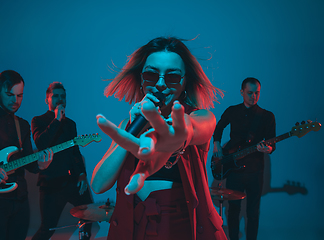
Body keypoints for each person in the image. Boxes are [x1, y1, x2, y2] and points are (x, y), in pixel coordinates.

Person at [91, 36, 227, 240]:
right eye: (151, 75)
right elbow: (99, 184)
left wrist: (178, 134)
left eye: (172, 77)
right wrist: (132, 131)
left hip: (179, 230)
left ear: (184, 82)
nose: (161, 84)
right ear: (141, 79)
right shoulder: (127, 125)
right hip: (133, 228)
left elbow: (193, 128)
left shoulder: (199, 116)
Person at [212, 77, 276, 240]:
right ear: (241, 92)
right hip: (233, 168)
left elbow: (272, 143)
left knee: (253, 212)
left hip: (255, 170)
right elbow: (218, 128)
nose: (253, 96)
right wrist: (217, 144)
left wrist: (267, 149)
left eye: (257, 93)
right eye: (249, 93)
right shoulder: (232, 111)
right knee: (233, 210)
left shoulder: (267, 116)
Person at [31, 82, 93, 240]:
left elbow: (75, 151)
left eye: (63, 96)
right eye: (56, 96)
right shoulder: (38, 120)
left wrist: (82, 174)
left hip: (71, 181)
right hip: (50, 184)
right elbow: (41, 143)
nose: (60, 99)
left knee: (90, 214)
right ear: (47, 99)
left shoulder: (71, 124)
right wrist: (57, 119)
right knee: (47, 229)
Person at [0, 70, 53, 240]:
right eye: (9, 94)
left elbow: (28, 161)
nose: (15, 101)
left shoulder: (21, 125)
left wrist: (40, 165)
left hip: (20, 199)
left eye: (20, 96)